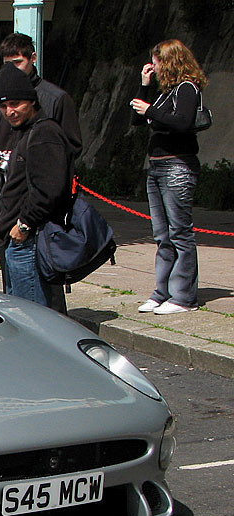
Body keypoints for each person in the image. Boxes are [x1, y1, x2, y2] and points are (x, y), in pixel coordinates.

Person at [0, 33, 81, 310]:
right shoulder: (11, 119)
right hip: (8, 214)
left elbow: (50, 185)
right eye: (4, 106)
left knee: (35, 310)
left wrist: (24, 224)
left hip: (33, 228)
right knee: (18, 303)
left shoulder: (47, 121)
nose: (9, 111)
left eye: (15, 105)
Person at [130, 39, 208, 315]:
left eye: (157, 62)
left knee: (179, 232)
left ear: (171, 61)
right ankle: (162, 292)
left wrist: (151, 110)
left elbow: (183, 122)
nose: (154, 67)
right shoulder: (165, 92)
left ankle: (184, 297)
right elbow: (137, 119)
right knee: (162, 234)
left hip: (177, 167)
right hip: (157, 167)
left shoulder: (187, 88)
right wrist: (145, 86)